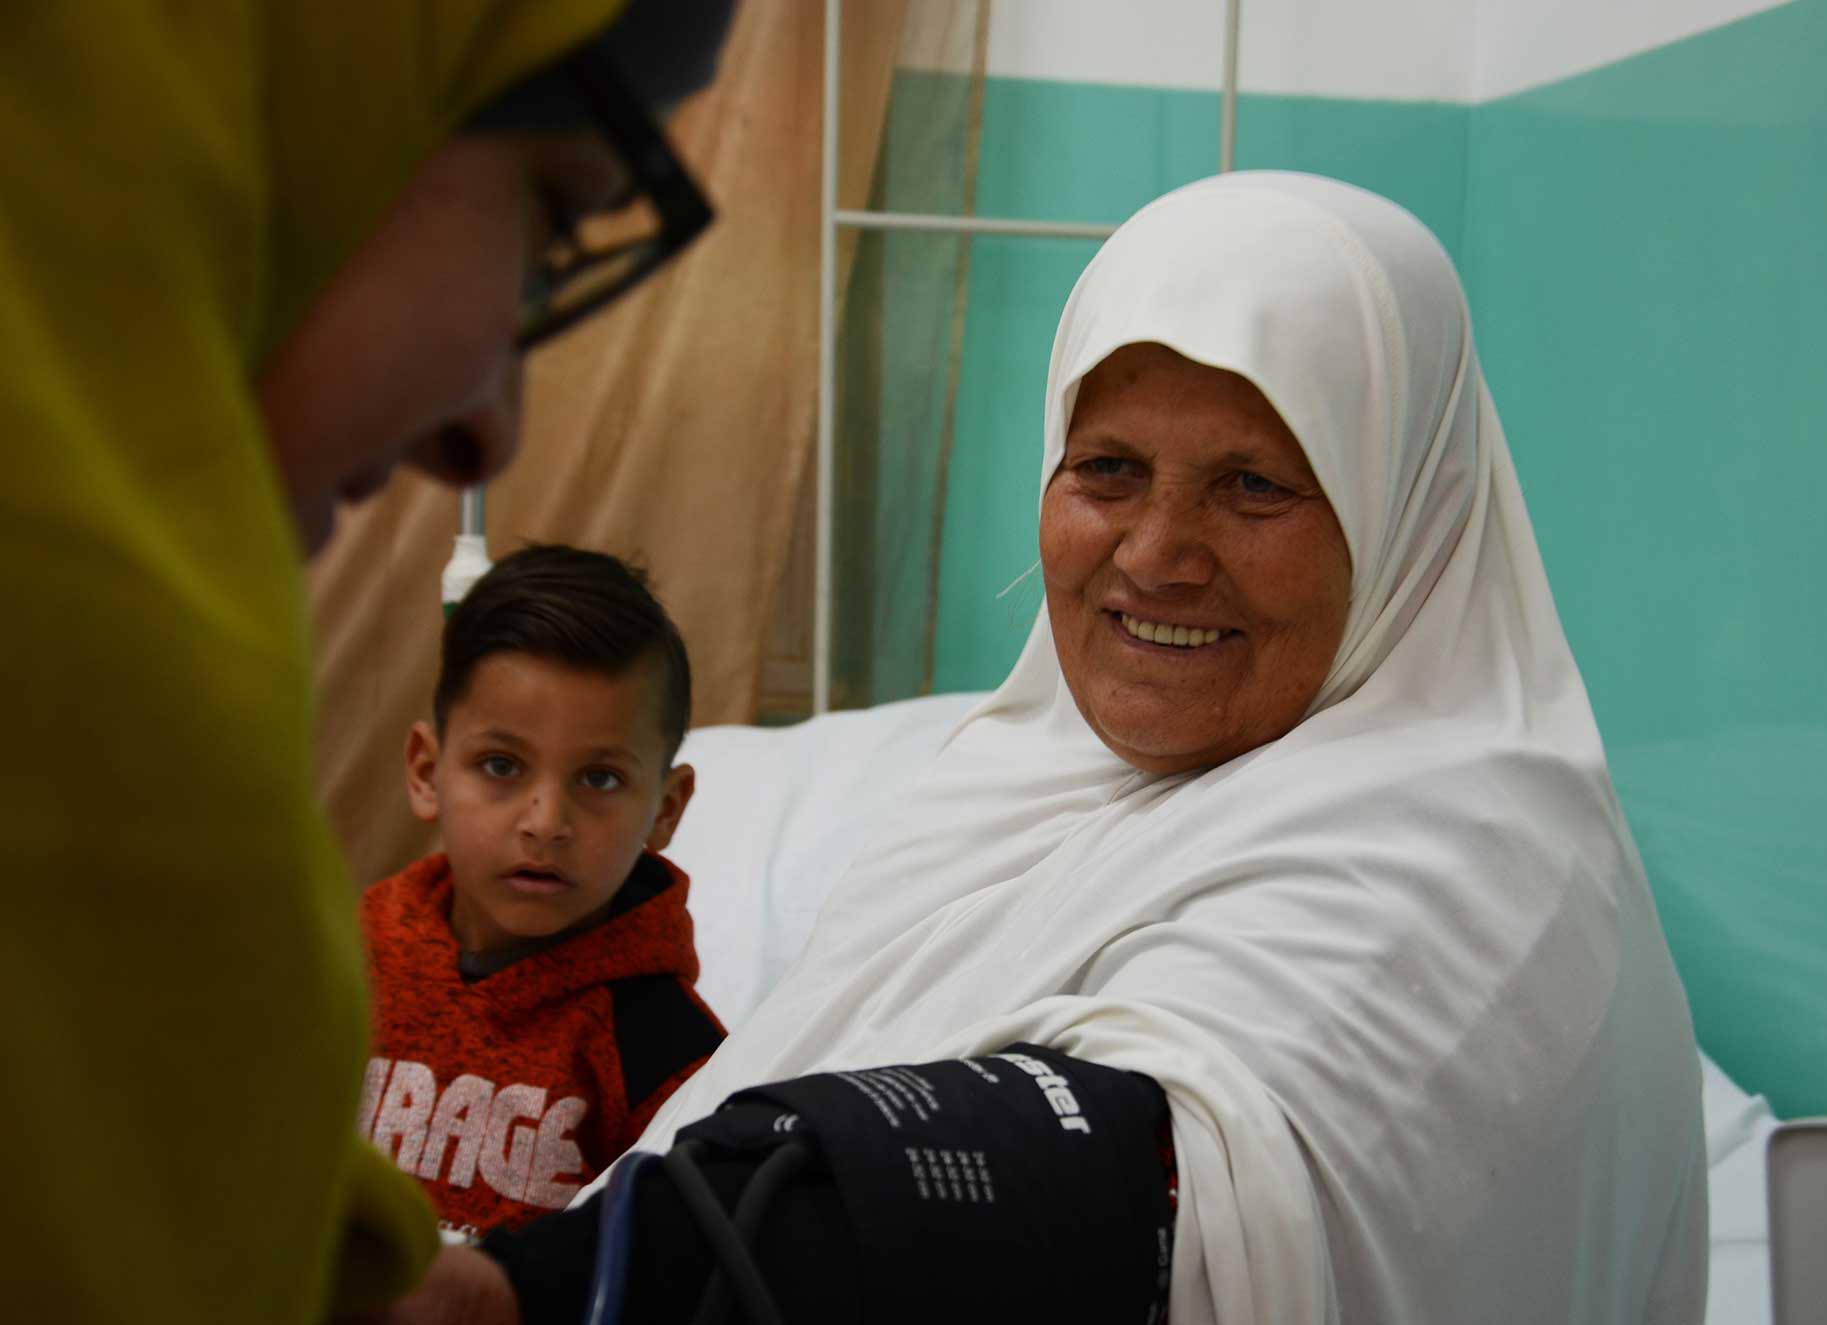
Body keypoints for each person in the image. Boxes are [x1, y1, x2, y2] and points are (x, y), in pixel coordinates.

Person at [392, 171, 1709, 1324]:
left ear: (1404, 510)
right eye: (1108, 470)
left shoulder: (1476, 844)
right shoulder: (1006, 794)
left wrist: (549, 1290)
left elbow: (1120, 1179)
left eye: (1254, 483)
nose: (1155, 556)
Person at [0, 2, 734, 1320]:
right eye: (548, 226)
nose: (487, 433)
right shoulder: (95, 683)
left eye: (602, 781)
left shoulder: (657, 1042)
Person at [359, 545, 722, 1240]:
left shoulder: (666, 1048)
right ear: (427, 772)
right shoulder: (346, 966)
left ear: (666, 809)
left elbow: (682, 1263)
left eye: (600, 779)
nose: (546, 822)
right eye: (501, 765)